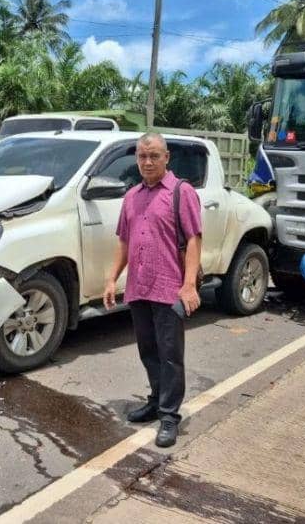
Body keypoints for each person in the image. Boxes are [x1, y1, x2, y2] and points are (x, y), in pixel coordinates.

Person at [103, 132, 202, 448]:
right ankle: (156, 400)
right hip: (139, 287)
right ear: (137, 158)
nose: (147, 161)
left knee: (170, 355)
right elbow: (124, 241)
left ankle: (170, 417)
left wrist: (188, 285)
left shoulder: (180, 192)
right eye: (142, 156)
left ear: (166, 157)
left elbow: (195, 240)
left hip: (169, 288)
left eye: (154, 156)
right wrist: (111, 279)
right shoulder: (131, 196)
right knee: (148, 351)